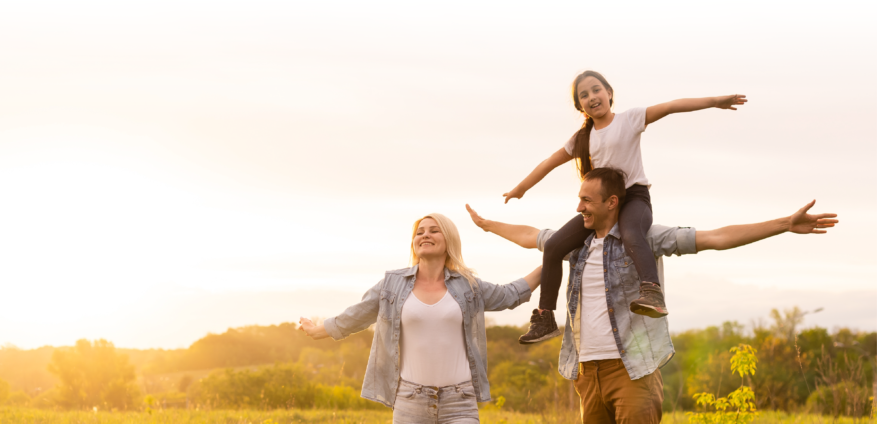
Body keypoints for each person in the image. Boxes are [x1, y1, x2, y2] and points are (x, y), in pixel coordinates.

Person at [467, 167, 838, 423]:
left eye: (586, 200)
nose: (578, 207)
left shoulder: (646, 238)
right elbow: (530, 235)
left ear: (612, 202)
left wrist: (784, 225)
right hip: (586, 371)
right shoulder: (575, 244)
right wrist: (487, 226)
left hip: (632, 371)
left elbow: (715, 238)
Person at [502, 70, 749, 344]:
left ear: (609, 93)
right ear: (579, 105)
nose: (592, 97)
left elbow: (670, 107)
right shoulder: (581, 139)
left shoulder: (629, 120)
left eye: (596, 90)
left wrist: (715, 101)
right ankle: (545, 316)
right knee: (554, 245)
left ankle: (651, 292)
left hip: (633, 198)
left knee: (632, 233)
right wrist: (520, 189)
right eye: (584, 95)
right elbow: (549, 161)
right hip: (601, 205)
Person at [297, 213, 541, 423]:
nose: (425, 235)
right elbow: (358, 313)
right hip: (410, 401)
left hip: (460, 400)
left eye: (434, 231)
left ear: (449, 241)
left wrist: (551, 259)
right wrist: (319, 330)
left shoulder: (469, 286)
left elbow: (510, 295)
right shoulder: (393, 284)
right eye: (419, 232)